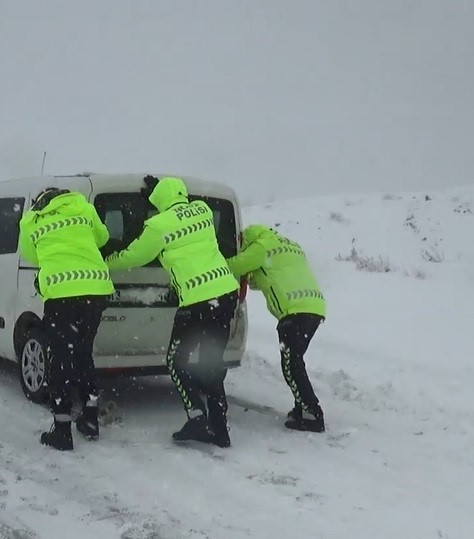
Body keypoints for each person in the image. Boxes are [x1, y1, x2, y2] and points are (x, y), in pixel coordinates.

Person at [105, 175, 240, 448]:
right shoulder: (202, 210)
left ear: (159, 200)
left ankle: (197, 417)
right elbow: (180, 215)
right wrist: (162, 192)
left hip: (197, 302)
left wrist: (107, 261)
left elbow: (135, 256)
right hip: (225, 296)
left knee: (176, 361)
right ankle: (220, 430)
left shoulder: (158, 225)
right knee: (211, 363)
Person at [18, 187, 116, 451]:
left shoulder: (32, 220)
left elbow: (31, 255)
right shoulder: (83, 207)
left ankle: (62, 430)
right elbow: (103, 237)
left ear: (40, 200)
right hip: (95, 292)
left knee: (61, 358)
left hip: (62, 295)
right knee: (83, 353)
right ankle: (90, 419)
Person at [226, 224, 327, 432]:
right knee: (295, 361)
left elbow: (234, 266)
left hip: (294, 311)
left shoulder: (260, 248)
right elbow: (266, 276)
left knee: (291, 364)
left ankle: (312, 413)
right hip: (314, 308)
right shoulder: (290, 245)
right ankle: (302, 407)